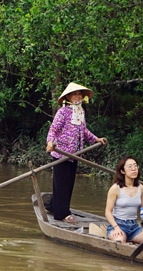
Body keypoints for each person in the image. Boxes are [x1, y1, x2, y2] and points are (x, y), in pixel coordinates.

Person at [45, 83, 107, 224]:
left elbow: (83, 131)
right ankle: (62, 213)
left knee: (68, 183)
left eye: (79, 94)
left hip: (75, 154)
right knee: (62, 184)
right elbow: (53, 129)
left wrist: (95, 139)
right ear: (68, 97)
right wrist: (50, 142)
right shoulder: (63, 112)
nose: (77, 96)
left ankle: (52, 206)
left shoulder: (80, 111)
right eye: (75, 94)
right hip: (61, 153)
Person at [103, 156, 143, 243]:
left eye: (135, 166)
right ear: (123, 171)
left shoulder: (140, 187)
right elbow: (108, 212)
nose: (134, 169)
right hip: (118, 224)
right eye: (130, 167)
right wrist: (116, 227)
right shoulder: (115, 188)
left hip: (134, 226)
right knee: (120, 241)